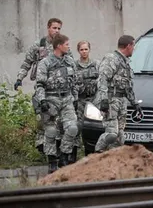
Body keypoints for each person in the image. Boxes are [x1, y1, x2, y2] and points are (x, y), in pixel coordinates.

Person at [14, 18, 67, 154]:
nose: (56, 31)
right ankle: (41, 145)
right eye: (54, 28)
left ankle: (57, 148)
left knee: (59, 119)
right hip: (42, 88)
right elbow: (27, 63)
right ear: (48, 28)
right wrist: (20, 78)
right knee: (42, 116)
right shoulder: (39, 45)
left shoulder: (62, 45)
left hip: (58, 89)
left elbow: (70, 64)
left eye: (59, 28)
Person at [35, 33, 78, 173]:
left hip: (66, 99)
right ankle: (52, 160)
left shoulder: (70, 62)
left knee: (72, 128)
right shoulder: (45, 63)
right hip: (50, 99)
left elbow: (75, 83)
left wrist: (75, 99)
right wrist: (42, 100)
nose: (69, 47)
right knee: (51, 131)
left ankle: (64, 155)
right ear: (59, 46)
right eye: (66, 44)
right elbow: (39, 84)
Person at [94, 35, 142, 153]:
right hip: (111, 100)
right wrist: (104, 99)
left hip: (121, 101)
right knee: (111, 134)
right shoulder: (112, 59)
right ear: (128, 46)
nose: (134, 49)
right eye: (133, 46)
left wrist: (135, 103)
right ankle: (97, 151)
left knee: (120, 135)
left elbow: (127, 86)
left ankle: (113, 158)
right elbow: (102, 79)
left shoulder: (125, 63)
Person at [72, 40, 100, 163]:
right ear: (78, 51)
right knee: (77, 127)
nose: (84, 52)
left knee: (93, 127)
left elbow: (101, 81)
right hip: (80, 101)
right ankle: (74, 156)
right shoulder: (74, 65)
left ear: (89, 50)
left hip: (93, 101)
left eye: (86, 49)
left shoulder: (96, 64)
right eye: (82, 49)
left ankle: (93, 155)